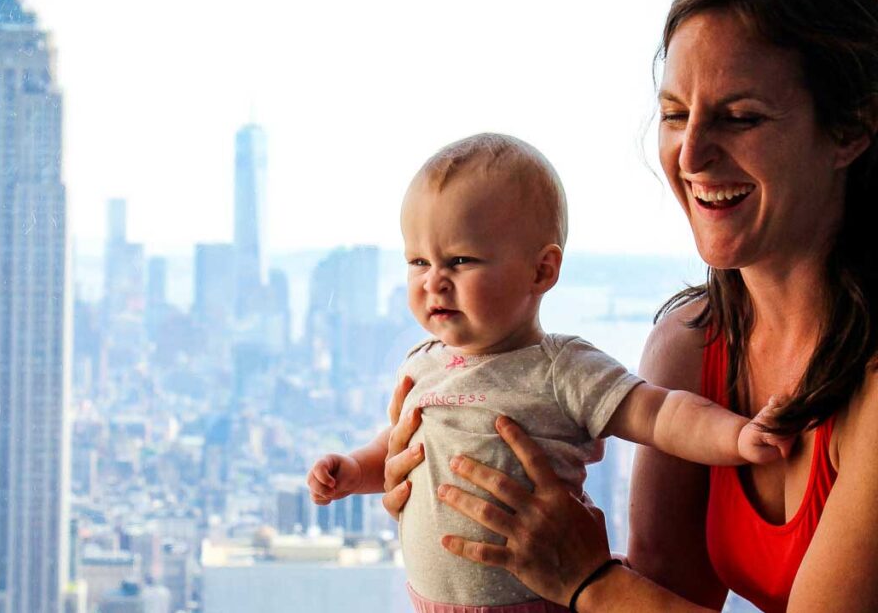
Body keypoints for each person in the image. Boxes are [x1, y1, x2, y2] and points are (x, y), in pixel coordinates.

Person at [380, 0, 878, 613]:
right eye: (675, 114)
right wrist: (457, 516)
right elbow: (662, 596)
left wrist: (588, 578)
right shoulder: (691, 343)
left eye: (741, 117)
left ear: (850, 129)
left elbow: (617, 595)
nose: (692, 154)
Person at [306, 133, 791, 613]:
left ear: (541, 272)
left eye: (460, 260)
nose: (434, 280)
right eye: (418, 261)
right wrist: (353, 472)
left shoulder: (562, 370)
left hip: (540, 600)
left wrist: (737, 438)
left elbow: (661, 413)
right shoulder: (422, 363)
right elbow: (397, 446)